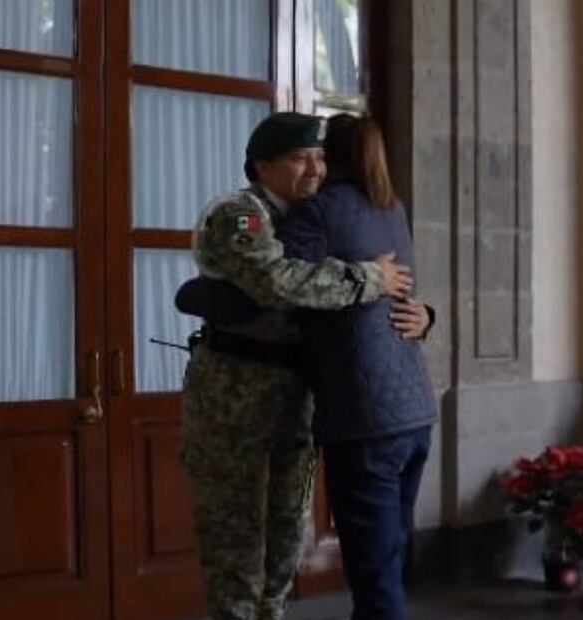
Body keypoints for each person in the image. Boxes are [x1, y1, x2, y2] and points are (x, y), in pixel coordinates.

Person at [178, 112, 430, 620]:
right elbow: (278, 282)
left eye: (319, 158)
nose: (314, 170)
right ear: (261, 165)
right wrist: (368, 280)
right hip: (236, 406)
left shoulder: (309, 217)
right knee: (238, 547)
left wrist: (423, 315)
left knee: (284, 546)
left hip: (294, 402)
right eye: (298, 159)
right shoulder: (241, 213)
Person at [277, 114, 438, 620]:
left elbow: (286, 290)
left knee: (374, 579)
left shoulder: (316, 213)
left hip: (364, 417)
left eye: (319, 153)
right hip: (415, 410)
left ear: (332, 155)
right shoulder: (393, 210)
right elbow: (404, 296)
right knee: (387, 561)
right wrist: (428, 317)